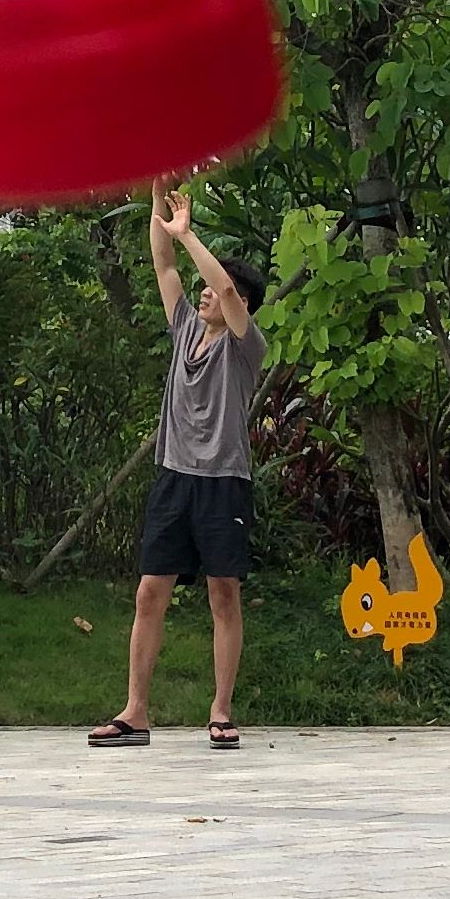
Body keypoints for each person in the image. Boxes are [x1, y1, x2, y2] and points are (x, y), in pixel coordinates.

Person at [91, 182, 267, 750]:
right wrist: (159, 192)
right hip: (174, 477)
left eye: (221, 292)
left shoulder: (247, 343)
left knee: (223, 593)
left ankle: (220, 710)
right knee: (149, 592)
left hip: (223, 483)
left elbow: (220, 285)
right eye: (210, 293)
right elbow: (163, 263)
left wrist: (191, 233)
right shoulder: (187, 327)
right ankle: (136, 711)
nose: (208, 295)